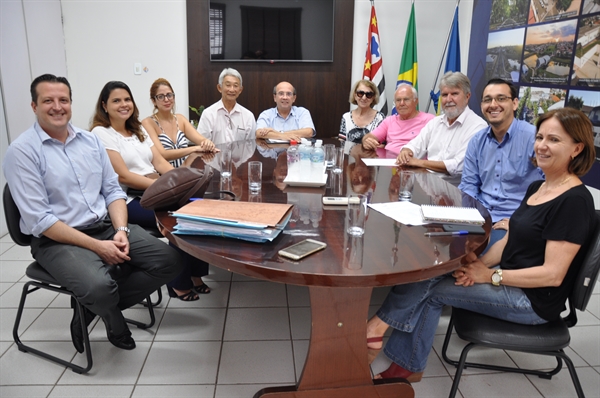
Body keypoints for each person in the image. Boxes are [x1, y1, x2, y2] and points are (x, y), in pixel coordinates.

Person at [366, 107, 597, 382]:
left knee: (432, 289)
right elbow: (510, 240)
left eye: (554, 140)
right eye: (540, 137)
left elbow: (552, 274)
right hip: (509, 279)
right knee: (436, 269)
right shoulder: (539, 188)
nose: (542, 146)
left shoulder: (574, 201)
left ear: (577, 148)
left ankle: (393, 351)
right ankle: (391, 348)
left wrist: (490, 275)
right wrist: (474, 265)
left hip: (531, 301)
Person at [3, 74, 183, 351]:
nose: (57, 106)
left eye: (63, 100)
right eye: (47, 100)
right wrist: (99, 247)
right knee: (100, 286)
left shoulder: (90, 142)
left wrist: (121, 230)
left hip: (105, 226)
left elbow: (113, 192)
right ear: (34, 106)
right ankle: (111, 316)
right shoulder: (22, 152)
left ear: (71, 103)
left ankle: (89, 309)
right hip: (56, 240)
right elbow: (40, 220)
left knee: (170, 260)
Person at [91, 81, 210, 301]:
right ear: (104, 106)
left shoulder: (138, 130)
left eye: (127, 99)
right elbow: (123, 176)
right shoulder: (101, 133)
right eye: (116, 100)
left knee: (196, 211)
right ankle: (178, 284)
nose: (124, 104)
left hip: (155, 189)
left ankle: (196, 275)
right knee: (177, 221)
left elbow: (161, 164)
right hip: (128, 199)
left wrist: (177, 182)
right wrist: (161, 187)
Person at [459, 78, 544, 248]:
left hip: (514, 221)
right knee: (439, 248)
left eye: (501, 98)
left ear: (514, 103)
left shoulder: (534, 138)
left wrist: (519, 222)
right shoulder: (477, 141)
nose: (493, 104)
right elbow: (468, 185)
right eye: (487, 99)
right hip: (479, 218)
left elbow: (550, 188)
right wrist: (470, 219)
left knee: (477, 259)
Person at [396, 72, 488, 179]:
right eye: (444, 95)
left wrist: (418, 162)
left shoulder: (478, 127)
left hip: (457, 189)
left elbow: (458, 166)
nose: (448, 99)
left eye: (454, 94)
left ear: (467, 96)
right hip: (430, 186)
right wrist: (407, 151)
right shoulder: (435, 123)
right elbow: (415, 145)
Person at [142, 78, 217, 168]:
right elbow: (162, 154)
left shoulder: (180, 119)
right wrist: (194, 149)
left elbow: (201, 140)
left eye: (169, 95)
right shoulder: (148, 123)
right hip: (162, 176)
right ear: (154, 100)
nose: (166, 99)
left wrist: (207, 142)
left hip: (184, 174)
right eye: (161, 96)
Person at [362, 84, 434, 154]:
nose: (402, 103)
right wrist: (366, 141)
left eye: (406, 99)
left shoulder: (430, 120)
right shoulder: (389, 121)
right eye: (398, 100)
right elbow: (370, 137)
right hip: (389, 163)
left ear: (416, 101)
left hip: (415, 163)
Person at [197, 68, 256, 145]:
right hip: (214, 156)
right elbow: (201, 143)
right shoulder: (208, 114)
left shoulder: (248, 116)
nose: (232, 90)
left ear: (240, 90)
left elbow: (251, 146)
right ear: (219, 88)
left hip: (240, 157)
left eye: (235, 86)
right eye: (228, 85)